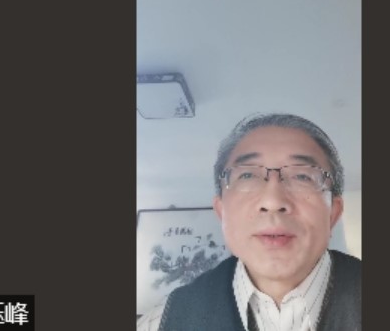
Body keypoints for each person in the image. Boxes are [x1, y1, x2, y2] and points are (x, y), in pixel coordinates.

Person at [137, 113, 361, 331]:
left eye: (302, 176)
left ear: (333, 213)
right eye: (247, 176)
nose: (273, 201)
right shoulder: (163, 321)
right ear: (222, 211)